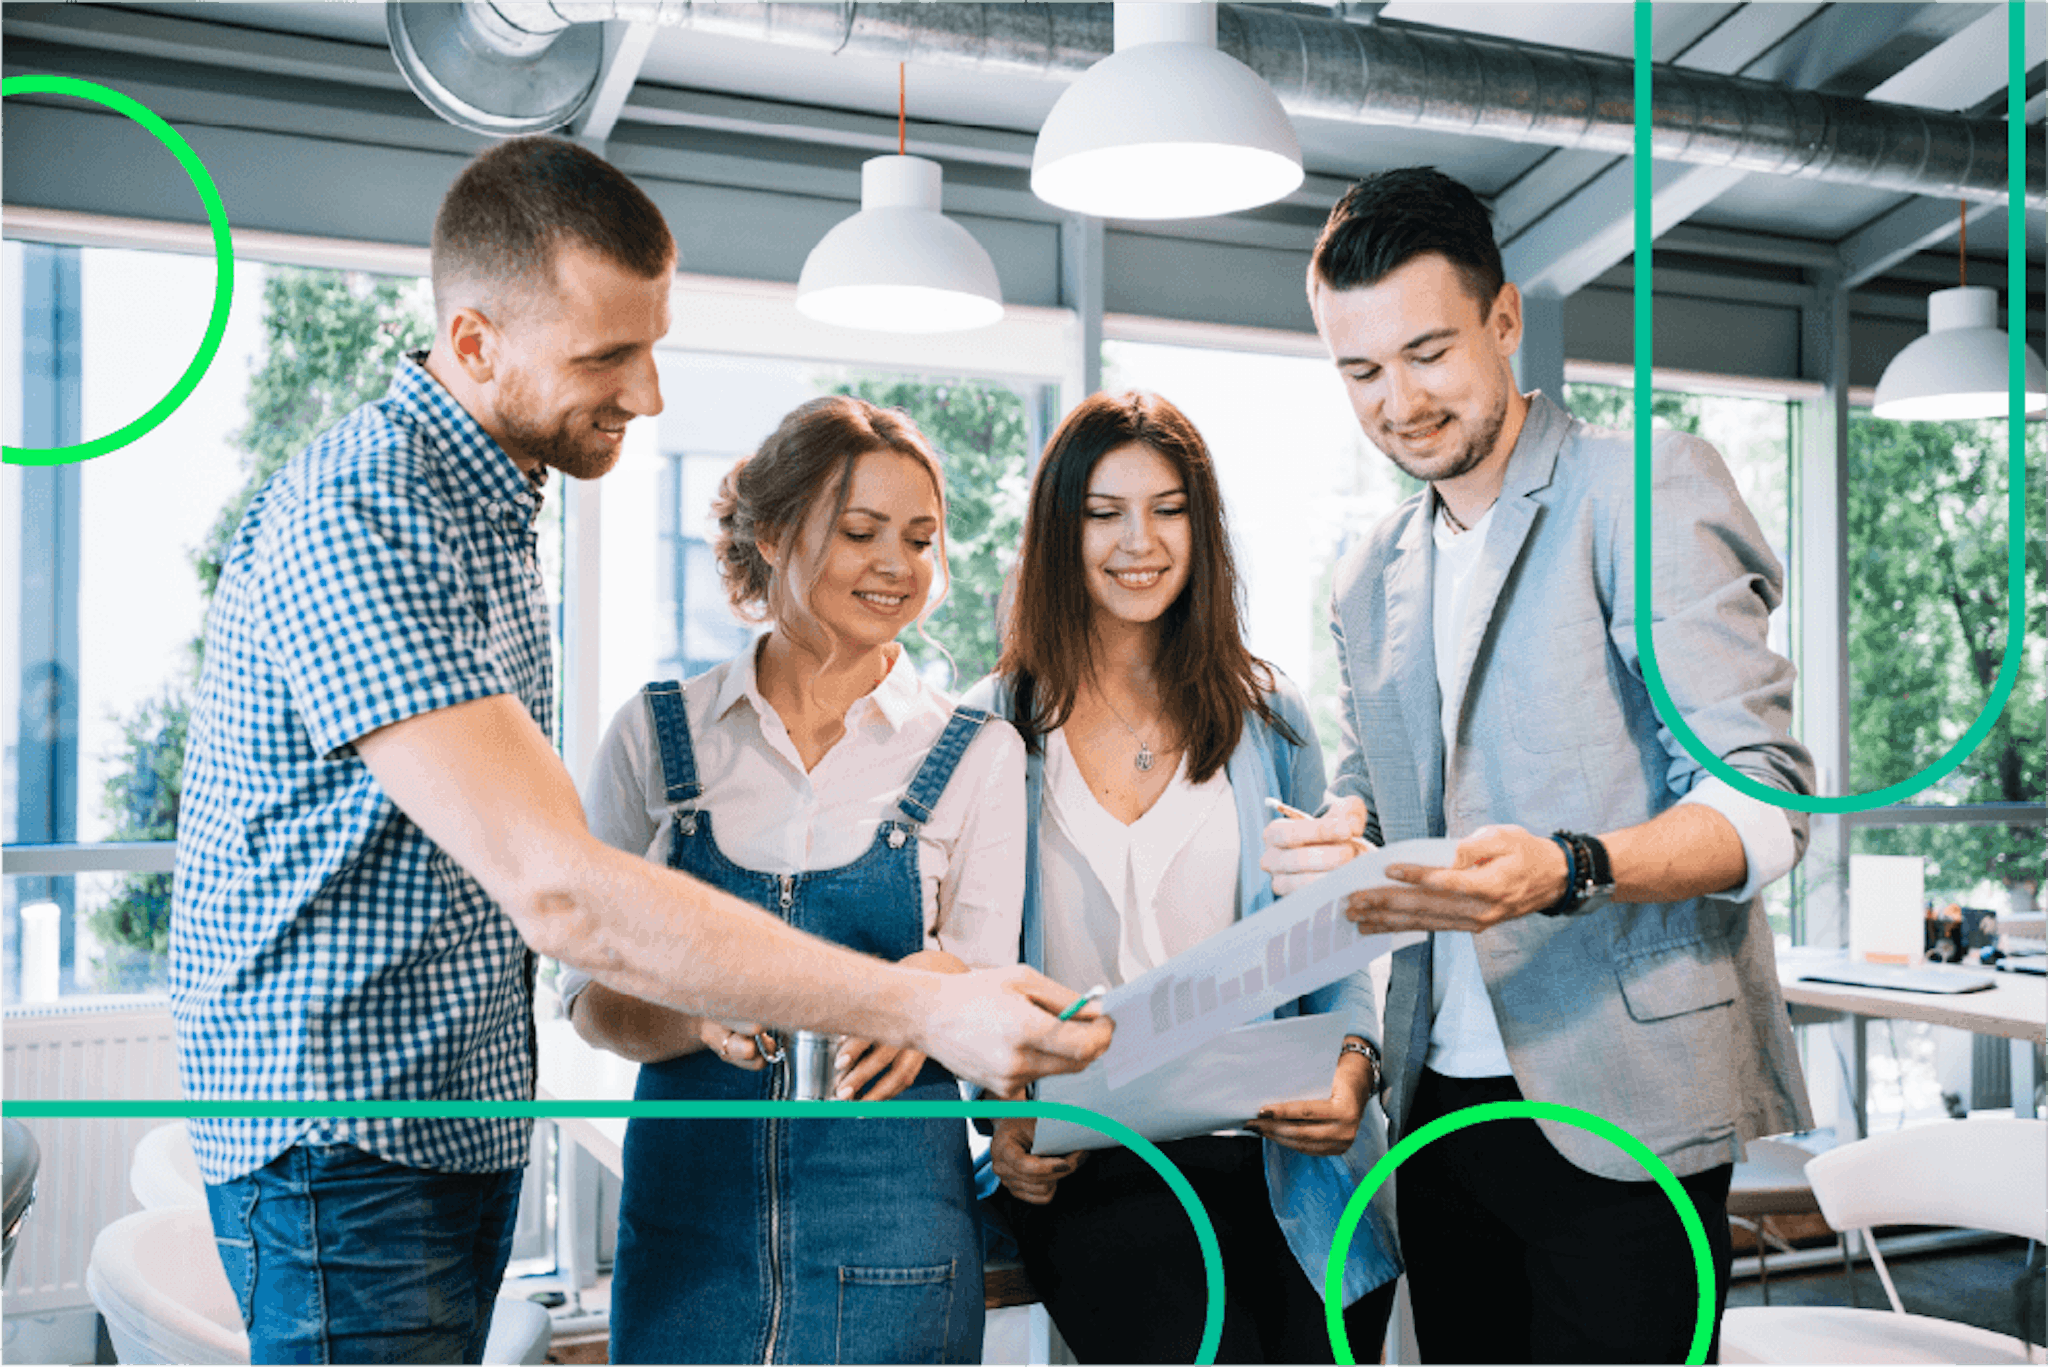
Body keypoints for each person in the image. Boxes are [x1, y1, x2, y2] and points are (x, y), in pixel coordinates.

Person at [169, 137, 1109, 1364]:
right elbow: (558, 888)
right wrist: (904, 996)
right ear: (473, 344)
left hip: (437, 1132)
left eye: (650, 344)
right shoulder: (371, 513)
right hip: (346, 1139)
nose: (649, 393)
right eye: (607, 354)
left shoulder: (491, 515)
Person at [1263, 165, 1816, 1364]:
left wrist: (1568, 866)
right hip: (1437, 1105)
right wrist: (1334, 838)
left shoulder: (1637, 489)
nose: (1396, 401)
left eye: (1426, 353)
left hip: (1624, 1103)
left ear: (1503, 321)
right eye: (1358, 371)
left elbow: (1763, 803)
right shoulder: (1367, 571)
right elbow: (1376, 793)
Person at [560, 395, 1017, 1364]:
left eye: (921, 538)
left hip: (894, 1245)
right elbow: (590, 999)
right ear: (768, 534)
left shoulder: (976, 753)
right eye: (860, 532)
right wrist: (692, 1018)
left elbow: (988, 1008)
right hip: (690, 1240)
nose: (897, 564)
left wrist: (931, 997)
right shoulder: (656, 735)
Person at [974, 392, 1402, 1365]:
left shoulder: (1268, 715)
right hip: (1095, 1159)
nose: (1140, 540)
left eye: (1167, 508)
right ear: (1057, 530)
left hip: (1286, 1159)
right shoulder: (991, 726)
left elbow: (1330, 936)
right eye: (1103, 511)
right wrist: (998, 1112)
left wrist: (1352, 1064)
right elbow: (967, 968)